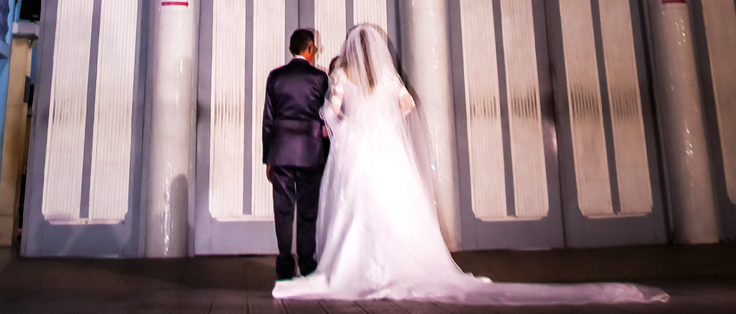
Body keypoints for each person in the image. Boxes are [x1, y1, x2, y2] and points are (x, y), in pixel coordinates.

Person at [274, 23, 665, 304]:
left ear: (350, 48)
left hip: (357, 153)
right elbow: (407, 107)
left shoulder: (342, 73)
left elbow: (331, 110)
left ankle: (351, 267)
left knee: (354, 209)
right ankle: (392, 264)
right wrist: (383, 126)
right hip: (384, 152)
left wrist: (349, 125)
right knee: (393, 208)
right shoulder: (388, 80)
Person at [262, 28, 330, 281]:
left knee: (283, 210)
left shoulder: (275, 77)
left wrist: (268, 157)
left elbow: (268, 120)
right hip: (310, 151)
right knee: (307, 210)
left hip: (280, 151)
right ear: (310, 48)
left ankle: (283, 263)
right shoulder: (320, 78)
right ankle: (308, 262)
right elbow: (326, 118)